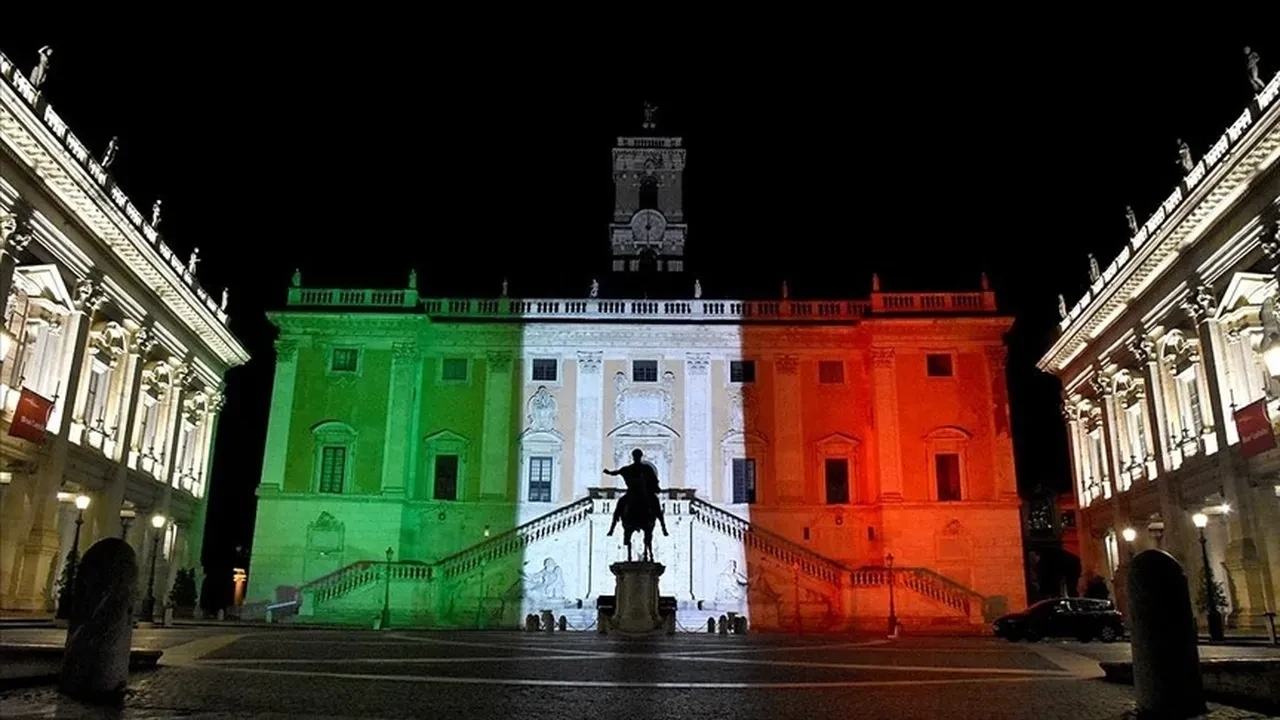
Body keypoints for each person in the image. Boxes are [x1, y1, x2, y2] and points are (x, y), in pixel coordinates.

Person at [603, 449, 669, 537]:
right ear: (639, 457)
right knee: (656, 506)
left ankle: (612, 529)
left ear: (633, 457)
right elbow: (655, 481)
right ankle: (663, 527)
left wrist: (608, 472)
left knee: (619, 506)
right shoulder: (645, 468)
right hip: (641, 493)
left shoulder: (628, 469)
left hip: (632, 493)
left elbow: (615, 472)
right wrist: (657, 488)